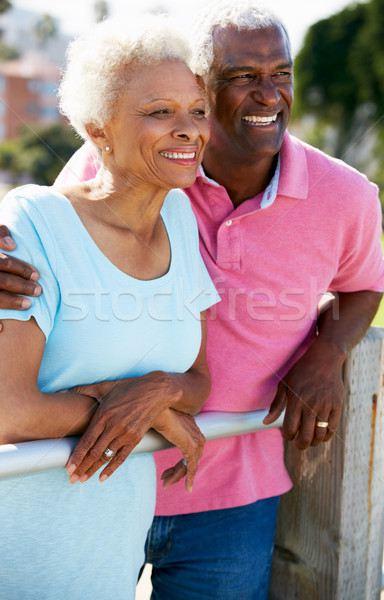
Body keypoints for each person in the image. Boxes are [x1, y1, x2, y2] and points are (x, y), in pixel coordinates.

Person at [0, 1, 384, 598]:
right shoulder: (129, 166)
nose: (268, 94)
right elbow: (52, 247)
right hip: (90, 483)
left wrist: (327, 349)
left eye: (281, 73)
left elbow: (363, 284)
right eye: (241, 78)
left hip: (229, 485)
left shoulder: (340, 196)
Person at [0, 15, 220, 600]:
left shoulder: (178, 215)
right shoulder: (34, 221)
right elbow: (7, 412)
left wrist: (155, 393)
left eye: (197, 110)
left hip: (110, 547)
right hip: (20, 543)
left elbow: (196, 381)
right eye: (159, 112)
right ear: (99, 131)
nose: (189, 130)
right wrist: (121, 402)